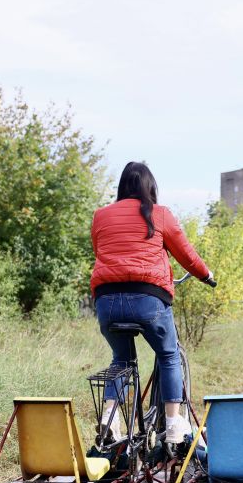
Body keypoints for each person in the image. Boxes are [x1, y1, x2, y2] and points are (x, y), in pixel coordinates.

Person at [90, 161, 214, 444]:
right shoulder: (160, 214)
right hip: (147, 298)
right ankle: (173, 425)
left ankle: (109, 418)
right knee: (168, 355)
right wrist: (206, 275)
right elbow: (186, 255)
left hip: (106, 300)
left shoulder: (101, 215)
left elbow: (100, 250)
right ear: (151, 187)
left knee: (121, 360)